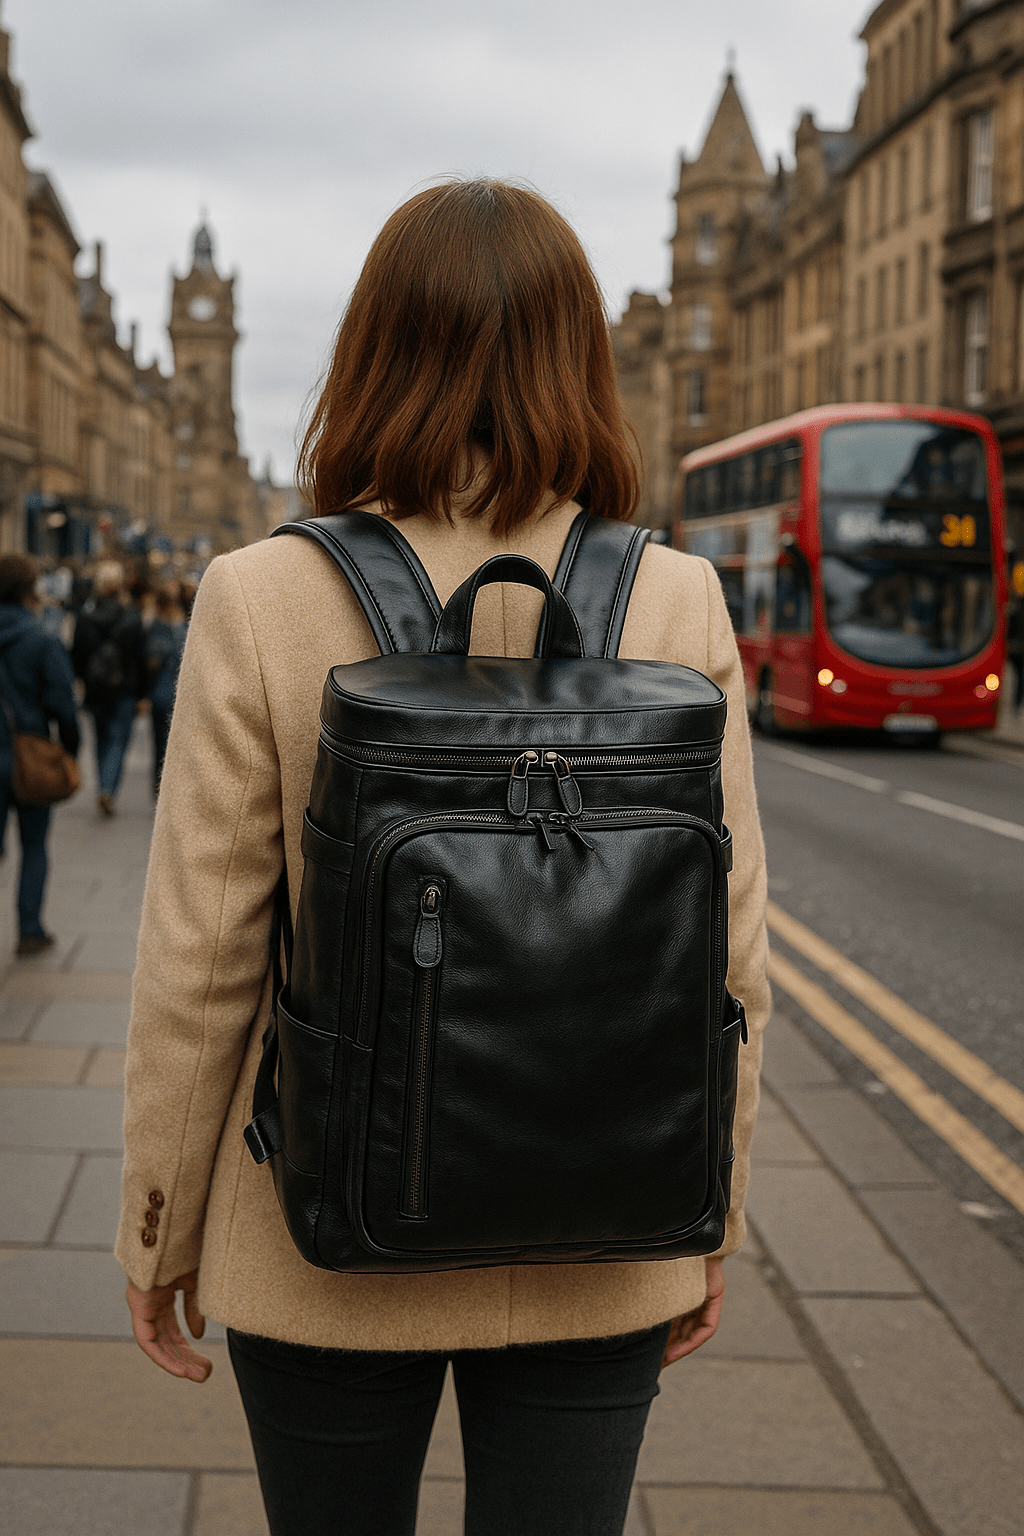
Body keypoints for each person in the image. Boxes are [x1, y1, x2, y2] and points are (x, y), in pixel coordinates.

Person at [116, 180, 770, 1536]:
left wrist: (160, 1225)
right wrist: (716, 1213)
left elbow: (202, 962)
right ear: (576, 359)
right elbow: (731, 953)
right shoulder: (677, 594)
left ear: (371, 352)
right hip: (609, 1215)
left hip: (325, 1228)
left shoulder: (259, 591)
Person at [0, 552, 80, 956]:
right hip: (29, 754)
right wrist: (69, 750)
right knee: (34, 846)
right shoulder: (41, 640)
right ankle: (29, 929)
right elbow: (63, 704)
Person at [72, 560, 146, 817]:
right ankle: (107, 787)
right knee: (118, 740)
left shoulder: (86, 615)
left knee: (101, 738)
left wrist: (83, 680)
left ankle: (103, 784)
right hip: (124, 688)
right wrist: (142, 693)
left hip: (96, 688)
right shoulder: (131, 616)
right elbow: (140, 657)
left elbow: (77, 653)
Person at [145, 578, 189, 796]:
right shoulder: (184, 627)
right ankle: (170, 785)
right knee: (177, 744)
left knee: (159, 742)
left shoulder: (155, 627)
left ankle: (159, 784)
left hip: (160, 693)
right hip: (180, 694)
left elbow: (150, 662)